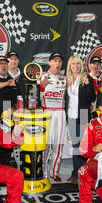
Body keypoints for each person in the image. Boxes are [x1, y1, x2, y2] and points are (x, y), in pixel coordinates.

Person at [65, 55, 96, 184]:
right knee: (74, 145)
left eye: (78, 64)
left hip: (83, 113)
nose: (76, 66)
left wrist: (88, 86)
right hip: (70, 115)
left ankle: (80, 174)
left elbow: (92, 98)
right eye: (73, 64)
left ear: (81, 65)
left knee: (81, 146)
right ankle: (75, 172)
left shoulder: (86, 78)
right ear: (69, 66)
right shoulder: (67, 79)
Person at [38, 52, 67, 182]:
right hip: (46, 112)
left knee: (59, 144)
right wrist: (42, 86)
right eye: (54, 61)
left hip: (60, 112)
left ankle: (54, 172)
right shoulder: (42, 76)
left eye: (59, 61)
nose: (57, 63)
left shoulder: (65, 78)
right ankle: (43, 172)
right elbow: (34, 97)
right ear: (49, 62)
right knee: (46, 144)